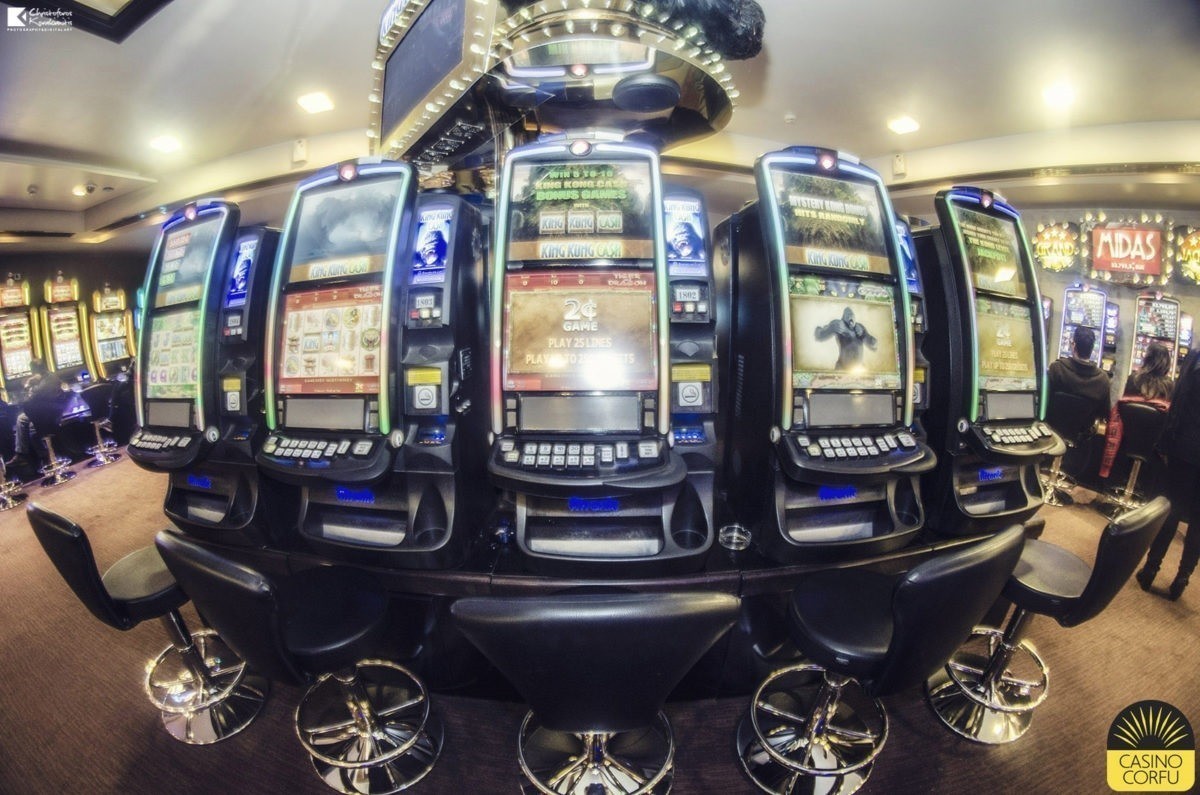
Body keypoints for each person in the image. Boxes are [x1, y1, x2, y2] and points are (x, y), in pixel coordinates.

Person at [1137, 347, 1200, 601]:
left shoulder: (1195, 358)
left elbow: (1178, 404)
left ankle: (1150, 569)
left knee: (1172, 511)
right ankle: (1182, 578)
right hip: (1187, 448)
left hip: (1185, 449)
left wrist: (1164, 443)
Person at [1047, 326, 1111, 426]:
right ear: (1092, 349)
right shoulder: (1102, 379)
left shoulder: (1057, 369)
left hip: (1053, 430)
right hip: (1083, 433)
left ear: (1073, 345)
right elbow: (1105, 414)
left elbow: (1045, 401)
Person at [12, 359, 65, 470]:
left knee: (32, 428)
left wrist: (27, 385)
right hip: (50, 412)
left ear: (35, 370)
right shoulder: (50, 377)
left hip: (48, 415)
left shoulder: (45, 383)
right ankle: (22, 453)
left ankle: (45, 457)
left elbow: (28, 401)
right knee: (22, 419)